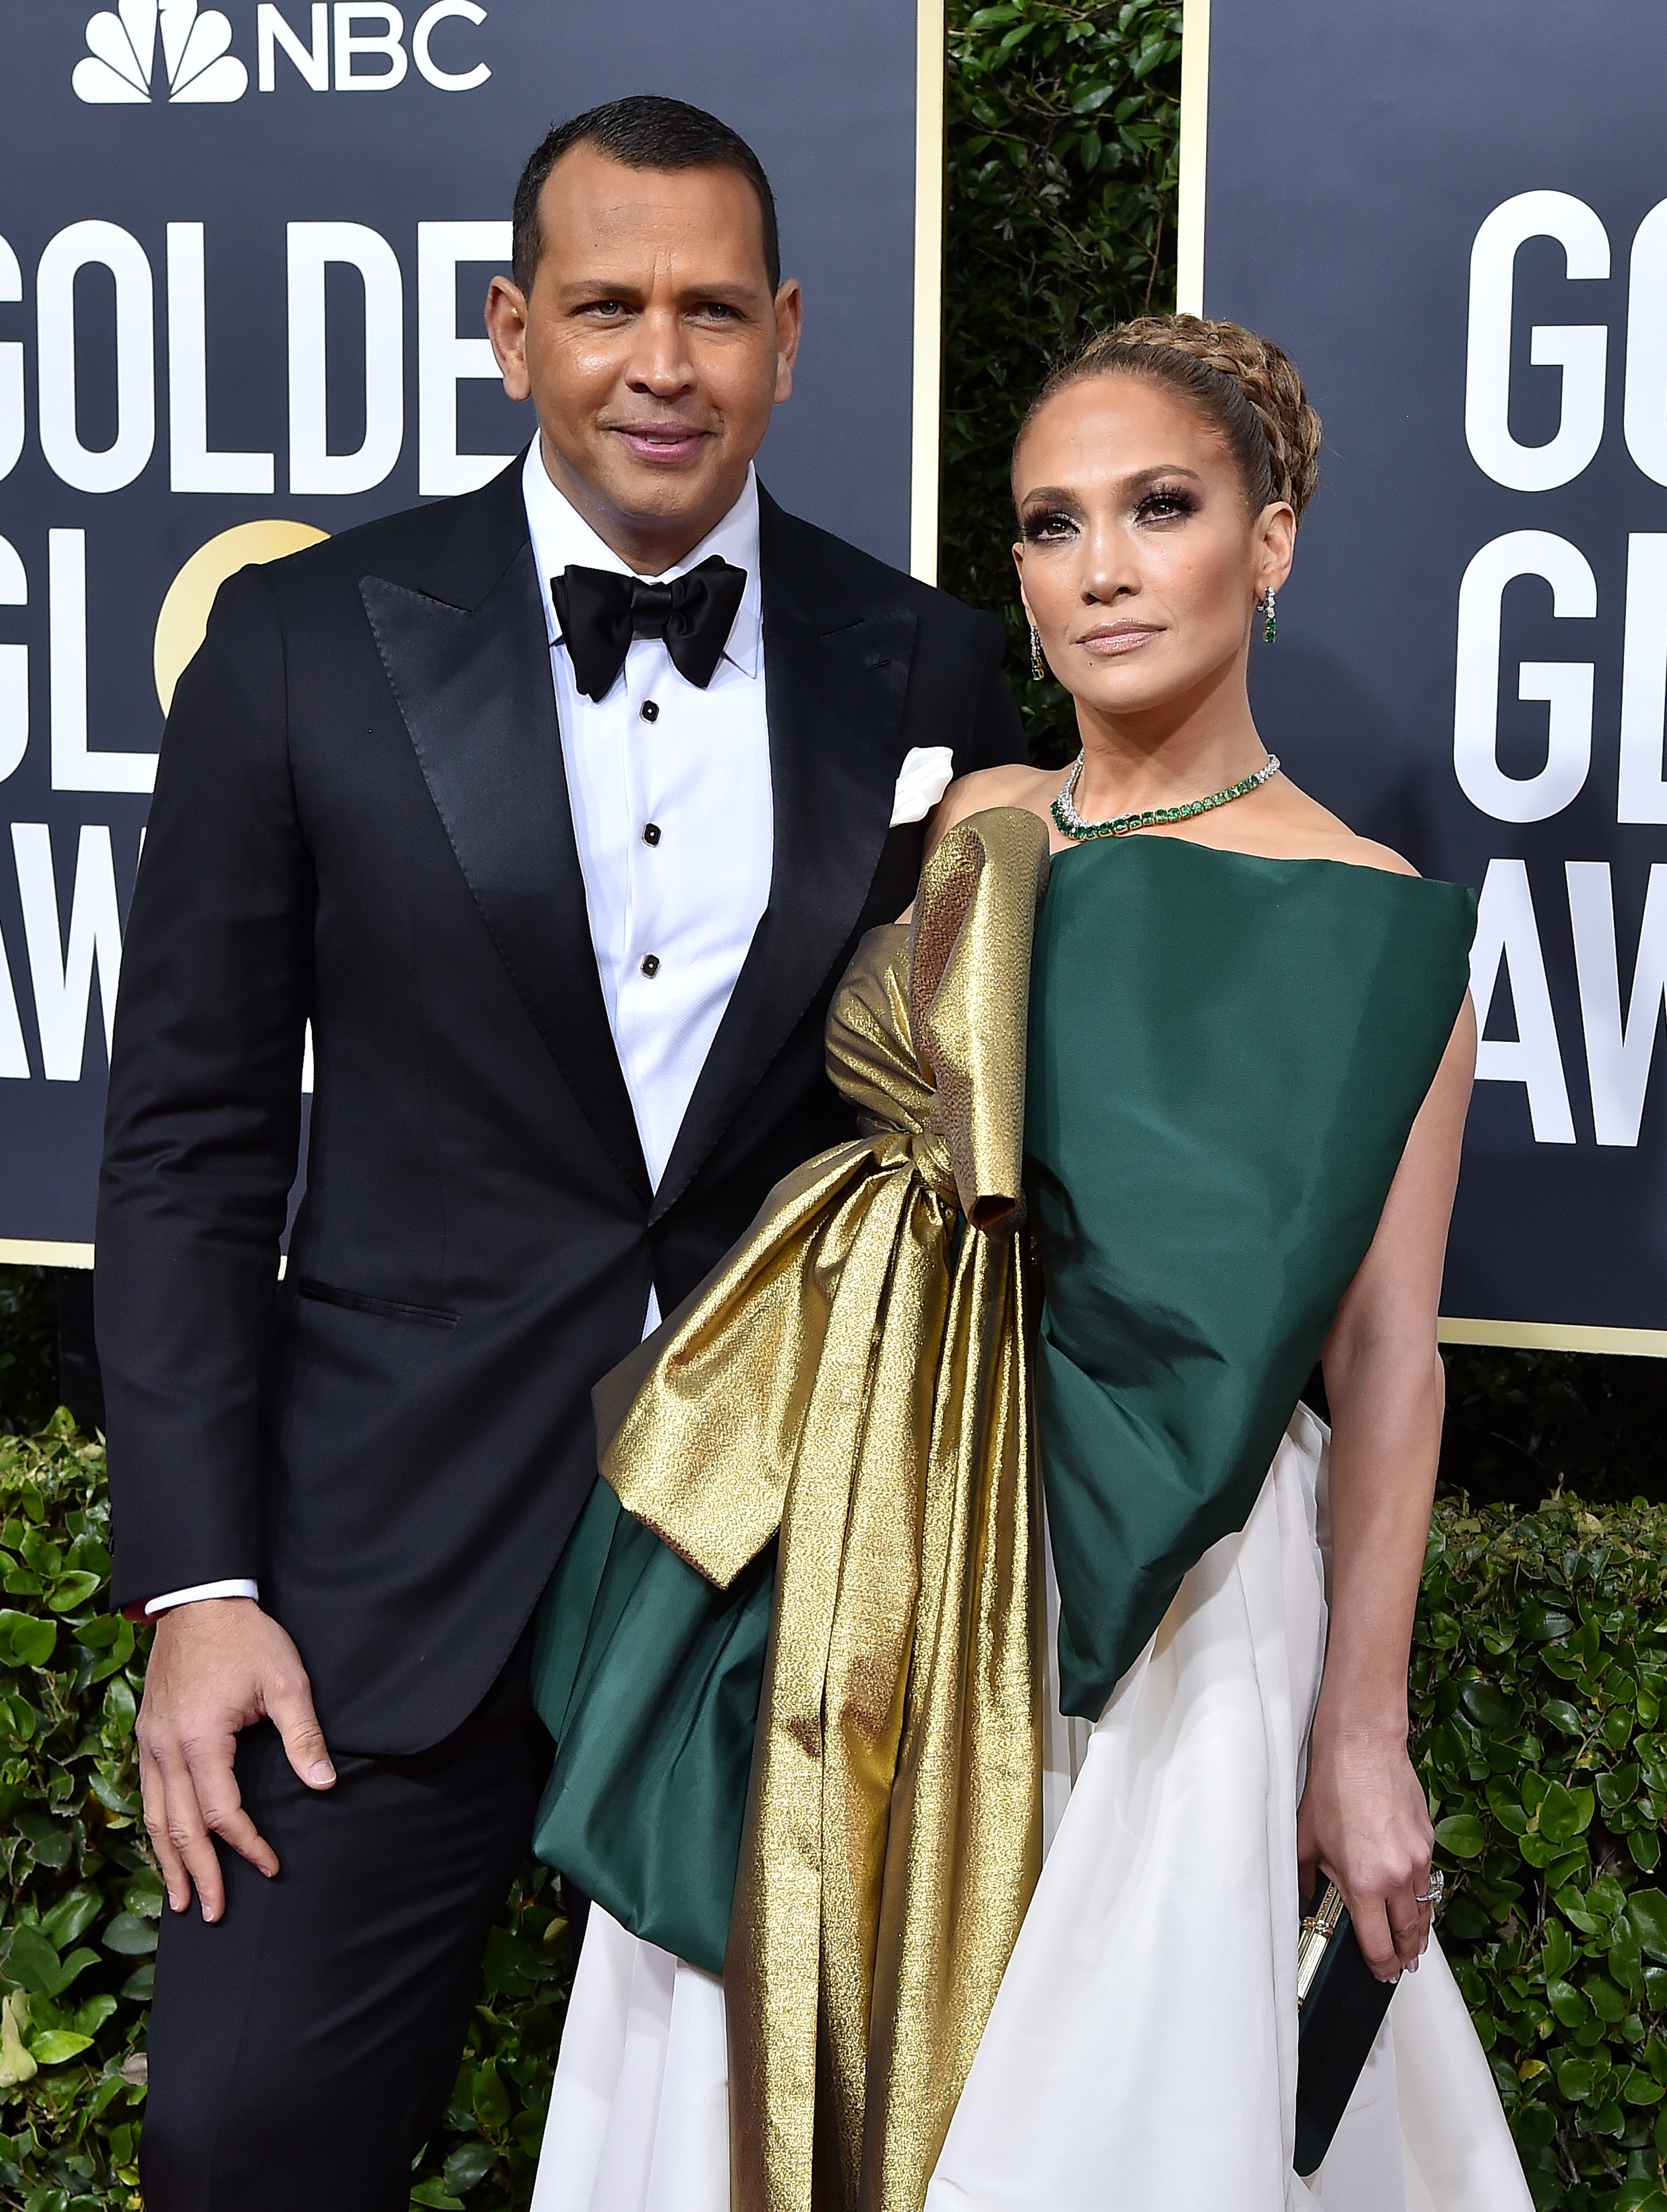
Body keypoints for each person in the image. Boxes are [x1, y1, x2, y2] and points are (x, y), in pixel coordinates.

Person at [93, 95, 1024, 2210]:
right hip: (381, 1568)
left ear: (790, 335)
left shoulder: (932, 659)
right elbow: (186, 1144)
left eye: (712, 309)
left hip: (767, 1563)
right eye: (608, 307)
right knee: (236, 2145)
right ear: (514, 334)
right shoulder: (305, 644)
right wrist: (201, 1584)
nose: (662, 361)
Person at [522, 315, 1537, 2210]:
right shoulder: (977, 816)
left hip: (1174, 1607)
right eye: (1051, 526)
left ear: (1274, 534)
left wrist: (1361, 1728)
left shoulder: (1376, 924)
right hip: (878, 1544)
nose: (1103, 569)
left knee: (1103, 2112)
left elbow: (1391, 1355)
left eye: (1160, 508)